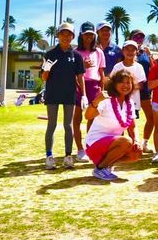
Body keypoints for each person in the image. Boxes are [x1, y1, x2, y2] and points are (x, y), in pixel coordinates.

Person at [42, 22, 85, 170]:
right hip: (53, 93)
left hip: (69, 94)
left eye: (69, 34)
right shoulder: (50, 54)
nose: (66, 37)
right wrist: (46, 69)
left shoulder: (77, 56)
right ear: (58, 36)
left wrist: (83, 95)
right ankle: (49, 157)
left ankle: (68, 156)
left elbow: (80, 77)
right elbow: (44, 78)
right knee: (52, 125)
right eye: (62, 33)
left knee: (68, 125)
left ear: (73, 36)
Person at [84, 69, 142, 180]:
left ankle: (108, 164)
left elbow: (132, 127)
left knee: (136, 153)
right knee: (126, 141)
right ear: (114, 84)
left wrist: (137, 141)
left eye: (128, 82)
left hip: (113, 144)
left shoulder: (129, 102)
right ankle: (100, 169)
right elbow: (88, 116)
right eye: (122, 82)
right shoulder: (106, 100)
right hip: (95, 144)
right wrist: (96, 101)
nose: (125, 85)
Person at [74, 21, 106, 163]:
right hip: (78, 86)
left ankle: (89, 147)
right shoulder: (75, 52)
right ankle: (80, 149)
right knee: (76, 118)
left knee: (92, 119)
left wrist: (103, 91)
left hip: (94, 86)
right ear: (81, 35)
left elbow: (101, 72)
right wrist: (82, 66)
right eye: (86, 34)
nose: (89, 37)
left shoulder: (98, 52)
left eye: (91, 35)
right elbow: (73, 73)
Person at [110, 41, 147, 127]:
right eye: (127, 49)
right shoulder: (117, 66)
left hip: (133, 102)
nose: (130, 52)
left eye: (132, 50)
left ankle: (134, 140)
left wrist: (124, 89)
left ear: (136, 52)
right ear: (123, 51)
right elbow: (112, 82)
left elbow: (140, 85)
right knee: (117, 126)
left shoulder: (139, 67)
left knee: (131, 126)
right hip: (118, 101)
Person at [130, 29, 155, 152]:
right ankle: (130, 144)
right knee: (129, 119)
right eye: (136, 37)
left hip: (144, 89)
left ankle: (144, 143)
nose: (138, 39)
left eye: (141, 37)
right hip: (129, 90)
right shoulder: (127, 51)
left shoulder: (145, 52)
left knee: (151, 117)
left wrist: (150, 55)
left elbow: (154, 68)